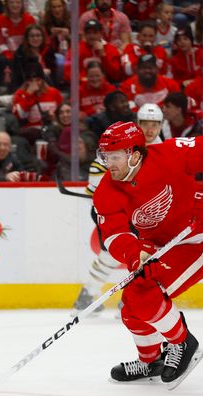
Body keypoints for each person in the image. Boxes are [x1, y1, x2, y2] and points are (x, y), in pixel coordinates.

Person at [92, 122, 203, 388]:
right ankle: (151, 362)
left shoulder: (170, 154)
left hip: (196, 244)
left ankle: (183, 343)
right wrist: (134, 253)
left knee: (141, 296)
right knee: (130, 309)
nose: (108, 164)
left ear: (134, 154)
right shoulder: (106, 191)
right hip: (157, 250)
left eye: (115, 157)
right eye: (105, 157)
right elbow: (113, 234)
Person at [72, 104, 165, 313]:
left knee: (147, 256)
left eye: (154, 124)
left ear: (161, 125)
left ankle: (125, 298)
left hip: (148, 214)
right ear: (138, 124)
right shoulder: (123, 142)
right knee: (115, 253)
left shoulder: (165, 150)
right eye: (145, 124)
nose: (149, 130)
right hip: (116, 212)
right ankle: (91, 295)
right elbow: (98, 174)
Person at [64, 19, 123, 84]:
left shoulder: (111, 50)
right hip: (82, 87)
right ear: (84, 34)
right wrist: (81, 80)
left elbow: (116, 75)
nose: (92, 36)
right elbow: (67, 73)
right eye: (88, 33)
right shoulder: (75, 49)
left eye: (95, 33)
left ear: (101, 33)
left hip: (105, 87)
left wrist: (103, 55)